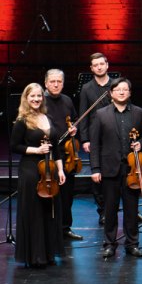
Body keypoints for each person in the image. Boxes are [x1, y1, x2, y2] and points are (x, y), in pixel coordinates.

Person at [89, 78, 142, 259]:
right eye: (118, 89)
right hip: (109, 169)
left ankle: (132, 244)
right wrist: (95, 168)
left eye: (125, 89)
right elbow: (95, 144)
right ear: (111, 93)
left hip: (132, 169)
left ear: (130, 93)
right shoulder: (101, 114)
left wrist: (140, 143)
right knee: (110, 210)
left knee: (132, 210)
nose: (122, 92)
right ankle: (110, 244)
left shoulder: (140, 113)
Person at [11, 83, 66, 268]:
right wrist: (36, 150)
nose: (36, 99)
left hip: (49, 170)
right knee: (34, 211)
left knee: (49, 211)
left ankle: (48, 253)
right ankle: (35, 255)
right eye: (32, 96)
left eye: (39, 96)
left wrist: (60, 170)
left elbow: (56, 148)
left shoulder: (47, 117)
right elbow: (14, 146)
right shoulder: (22, 120)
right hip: (30, 170)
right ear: (26, 99)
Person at [43, 69, 82, 241]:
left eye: (59, 81)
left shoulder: (67, 100)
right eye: (52, 81)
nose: (56, 84)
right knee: (48, 193)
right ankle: (48, 229)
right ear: (46, 83)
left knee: (67, 195)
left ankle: (65, 227)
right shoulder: (40, 101)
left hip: (66, 156)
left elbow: (73, 120)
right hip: (47, 155)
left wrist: (74, 128)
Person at [79, 52, 113, 225]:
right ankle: (103, 211)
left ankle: (115, 208)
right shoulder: (87, 88)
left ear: (107, 65)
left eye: (102, 63)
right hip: (95, 136)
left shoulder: (116, 85)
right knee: (97, 174)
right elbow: (83, 115)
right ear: (91, 68)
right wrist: (85, 139)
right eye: (96, 65)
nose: (99, 67)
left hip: (114, 135)